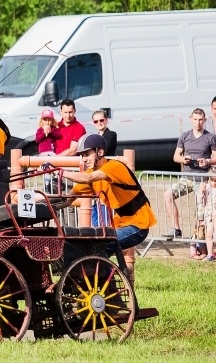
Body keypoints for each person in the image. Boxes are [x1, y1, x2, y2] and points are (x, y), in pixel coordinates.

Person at [61, 134, 157, 279]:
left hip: (139, 225)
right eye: (82, 155)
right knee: (91, 248)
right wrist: (42, 205)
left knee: (100, 246)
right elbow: (68, 200)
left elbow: (87, 178)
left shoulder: (114, 167)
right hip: (122, 225)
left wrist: (60, 172)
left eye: (87, 154)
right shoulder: (91, 174)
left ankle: (109, 284)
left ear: (100, 152)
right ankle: (102, 281)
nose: (84, 159)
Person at [162, 108, 216, 239]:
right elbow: (176, 156)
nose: (198, 122)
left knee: (201, 210)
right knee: (168, 194)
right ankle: (176, 229)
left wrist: (208, 161)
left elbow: (215, 157)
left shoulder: (210, 137)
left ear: (205, 120)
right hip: (187, 177)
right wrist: (183, 159)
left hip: (203, 179)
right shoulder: (185, 136)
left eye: (200, 120)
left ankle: (199, 238)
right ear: (191, 119)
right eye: (195, 119)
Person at [201, 173, 216, 261]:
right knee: (208, 234)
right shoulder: (208, 189)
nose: (214, 183)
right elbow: (204, 201)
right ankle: (210, 254)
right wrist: (202, 192)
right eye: (212, 181)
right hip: (208, 213)